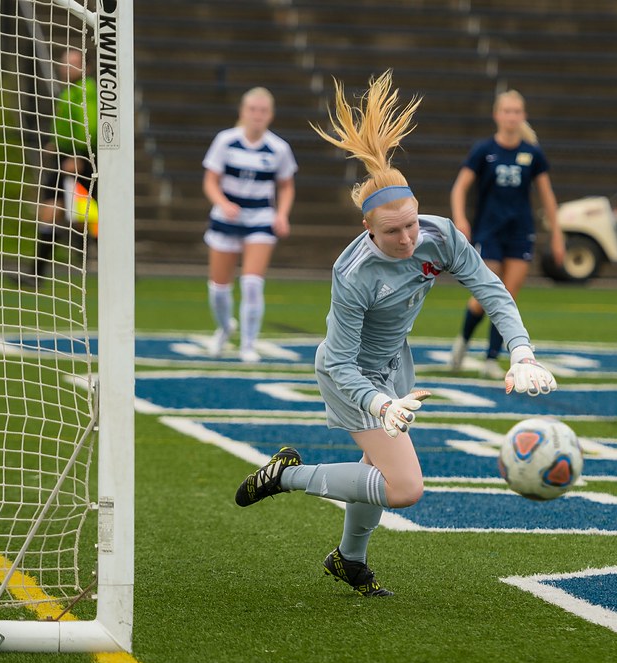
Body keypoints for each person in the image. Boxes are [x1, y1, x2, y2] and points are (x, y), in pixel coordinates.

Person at [233, 71, 557, 597]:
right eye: (392, 231)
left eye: (410, 223)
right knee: (404, 488)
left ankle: (349, 558)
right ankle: (286, 476)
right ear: (368, 229)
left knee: (374, 469)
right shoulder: (353, 272)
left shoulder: (438, 234)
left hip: (394, 363)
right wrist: (381, 406)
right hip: (351, 376)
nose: (408, 237)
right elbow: (339, 363)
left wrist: (521, 353)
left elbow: (490, 287)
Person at [447, 90, 565, 377]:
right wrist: (460, 219)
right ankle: (462, 343)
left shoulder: (532, 153)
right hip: (489, 230)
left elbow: (547, 197)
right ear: (497, 115)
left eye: (516, 112)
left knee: (507, 297)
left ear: (522, 116)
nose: (511, 116)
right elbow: (459, 187)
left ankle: (490, 359)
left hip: (520, 232)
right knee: (486, 295)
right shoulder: (483, 150)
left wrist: (558, 234)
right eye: (507, 111)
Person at [202, 87, 297, 363]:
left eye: (263, 111)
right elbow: (210, 180)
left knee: (252, 283)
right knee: (219, 289)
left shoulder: (278, 148)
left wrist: (282, 214)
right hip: (227, 219)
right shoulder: (225, 141)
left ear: (271, 115)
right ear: (243, 112)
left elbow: (286, 186)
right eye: (252, 110)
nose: (257, 115)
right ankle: (224, 328)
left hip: (259, 220)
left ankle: (248, 344)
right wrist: (223, 203)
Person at [13, 47, 97, 288]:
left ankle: (117, 265)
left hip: (79, 161)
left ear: (86, 68)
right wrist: (53, 142)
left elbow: (88, 127)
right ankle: (36, 273)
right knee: (53, 210)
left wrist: (80, 156)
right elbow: (67, 126)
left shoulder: (86, 90)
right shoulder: (69, 92)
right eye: (64, 63)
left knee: (88, 216)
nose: (66, 67)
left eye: (72, 63)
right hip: (65, 158)